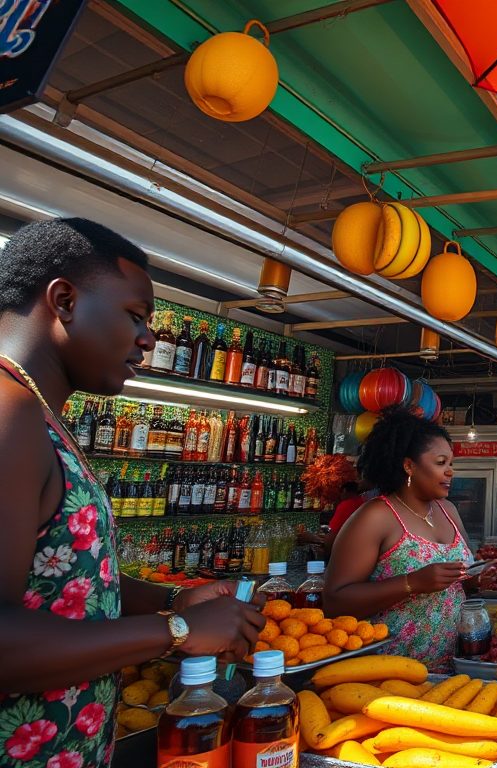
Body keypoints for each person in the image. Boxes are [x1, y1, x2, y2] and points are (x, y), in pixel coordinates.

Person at [0, 219, 264, 767]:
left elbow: (55, 578)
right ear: (64, 300)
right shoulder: (8, 412)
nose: (148, 339)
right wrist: (177, 629)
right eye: (136, 317)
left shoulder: (41, 416)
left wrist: (170, 598)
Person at [324, 408, 475, 672]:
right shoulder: (376, 516)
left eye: (451, 463)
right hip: (391, 672)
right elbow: (336, 602)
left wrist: (474, 580)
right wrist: (412, 583)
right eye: (441, 463)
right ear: (409, 466)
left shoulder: (448, 511)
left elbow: (456, 585)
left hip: (451, 669)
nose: (450, 471)